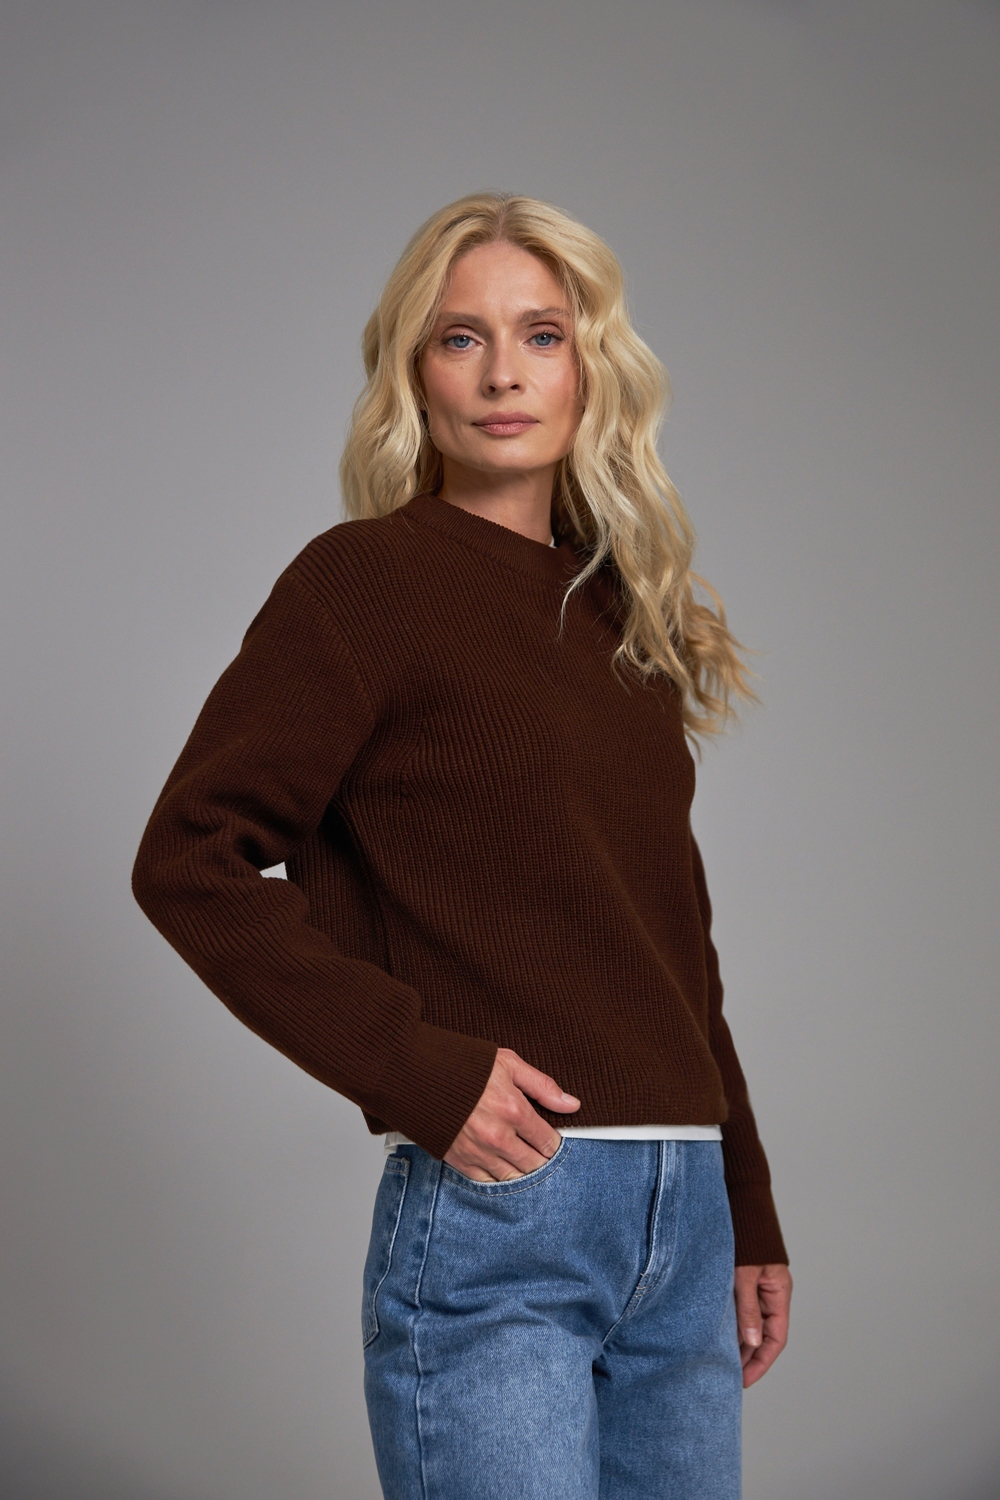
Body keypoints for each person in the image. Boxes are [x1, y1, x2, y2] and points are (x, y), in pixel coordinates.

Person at [132, 192, 791, 1500]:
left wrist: (748, 1205)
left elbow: (677, 946)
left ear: (590, 368)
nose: (503, 374)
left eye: (542, 335)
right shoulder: (364, 584)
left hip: (686, 1217)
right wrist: (416, 1069)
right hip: (507, 1221)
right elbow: (190, 858)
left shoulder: (624, 619)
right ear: (412, 373)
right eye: (459, 337)